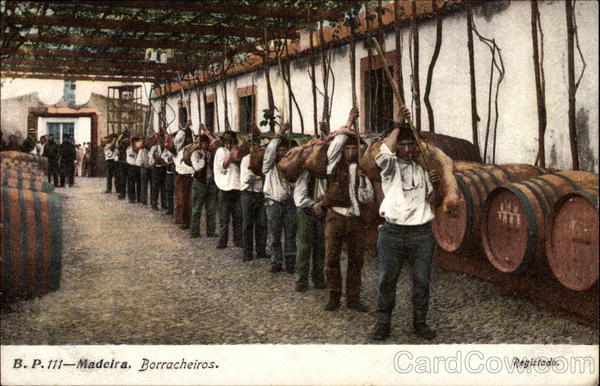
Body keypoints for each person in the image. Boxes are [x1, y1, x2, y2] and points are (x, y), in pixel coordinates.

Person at [370, 108, 441, 341]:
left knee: (421, 281)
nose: (408, 150)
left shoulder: (423, 170)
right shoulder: (390, 169)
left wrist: (436, 188)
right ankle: (383, 322)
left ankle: (420, 323)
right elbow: (383, 155)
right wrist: (397, 125)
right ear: (397, 146)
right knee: (386, 280)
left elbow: (432, 202)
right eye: (404, 145)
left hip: (421, 235)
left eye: (412, 145)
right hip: (392, 233)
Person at [319, 107, 373, 312]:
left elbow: (367, 199)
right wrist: (349, 122)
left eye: (354, 149)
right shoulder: (333, 164)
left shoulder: (362, 170)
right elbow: (336, 145)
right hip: (336, 217)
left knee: (356, 261)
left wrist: (361, 179)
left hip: (355, 220)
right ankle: (334, 297)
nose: (350, 152)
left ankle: (353, 298)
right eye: (347, 149)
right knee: (331, 259)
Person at [292, 123, 329, 291]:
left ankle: (319, 280)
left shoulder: (323, 170)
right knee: (304, 247)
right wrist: (313, 204)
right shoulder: (304, 170)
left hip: (321, 210)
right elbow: (299, 196)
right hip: (306, 212)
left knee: (320, 247)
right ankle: (301, 282)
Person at [262, 123, 296, 274]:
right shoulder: (268, 165)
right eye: (279, 150)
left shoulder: (291, 167)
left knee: (290, 235)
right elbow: (269, 152)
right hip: (273, 203)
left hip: (289, 203)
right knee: (275, 235)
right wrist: (280, 134)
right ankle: (276, 262)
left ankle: (290, 263)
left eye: (284, 150)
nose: (282, 153)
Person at [239, 126, 267, 261]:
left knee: (262, 224)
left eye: (258, 145)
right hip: (248, 195)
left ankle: (261, 250)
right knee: (247, 225)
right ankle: (247, 253)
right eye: (254, 145)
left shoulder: (264, 159)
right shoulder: (246, 160)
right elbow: (245, 180)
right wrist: (256, 173)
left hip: (260, 195)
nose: (257, 147)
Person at [213, 130, 242, 249]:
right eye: (226, 143)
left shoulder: (238, 151)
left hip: (237, 187)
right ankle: (222, 241)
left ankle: (238, 240)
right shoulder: (221, 151)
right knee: (224, 217)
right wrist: (231, 156)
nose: (228, 145)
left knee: (238, 217)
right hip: (225, 188)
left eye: (230, 143)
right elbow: (223, 165)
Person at [189, 124, 218, 238]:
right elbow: (197, 167)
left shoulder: (211, 152)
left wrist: (207, 132)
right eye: (203, 143)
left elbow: (216, 142)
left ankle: (211, 231)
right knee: (196, 208)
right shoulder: (195, 154)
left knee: (211, 209)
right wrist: (203, 158)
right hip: (199, 183)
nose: (205, 145)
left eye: (206, 143)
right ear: (199, 144)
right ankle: (194, 232)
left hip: (210, 183)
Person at [174, 122, 195, 229]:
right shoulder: (178, 148)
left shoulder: (191, 148)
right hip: (180, 176)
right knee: (180, 199)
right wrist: (184, 129)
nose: (187, 139)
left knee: (188, 200)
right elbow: (177, 139)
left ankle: (186, 222)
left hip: (190, 177)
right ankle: (180, 219)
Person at [148, 134, 167, 210]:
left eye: (164, 140)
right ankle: (154, 204)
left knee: (164, 187)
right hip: (156, 169)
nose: (162, 142)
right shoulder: (154, 148)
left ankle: (164, 204)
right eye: (161, 140)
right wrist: (155, 160)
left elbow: (167, 158)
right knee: (155, 186)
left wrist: (163, 160)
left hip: (164, 168)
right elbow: (150, 159)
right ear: (159, 141)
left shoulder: (166, 148)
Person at [136, 137, 152, 205]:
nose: (146, 144)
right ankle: (144, 200)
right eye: (145, 143)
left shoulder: (151, 149)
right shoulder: (141, 151)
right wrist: (141, 164)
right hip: (144, 169)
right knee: (144, 185)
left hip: (151, 169)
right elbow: (137, 161)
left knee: (152, 186)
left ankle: (152, 201)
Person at [126, 138, 141, 203]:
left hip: (138, 167)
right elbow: (132, 154)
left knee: (139, 183)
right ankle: (131, 198)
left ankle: (139, 198)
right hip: (131, 167)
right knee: (131, 183)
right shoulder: (129, 149)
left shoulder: (139, 149)